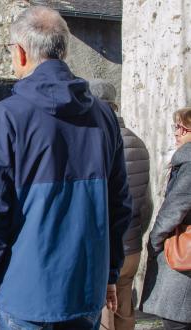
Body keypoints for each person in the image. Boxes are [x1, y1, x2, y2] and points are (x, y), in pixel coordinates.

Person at [0, 7, 132, 330]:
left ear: (21, 53)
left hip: (25, 295)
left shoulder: (6, 117)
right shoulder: (104, 117)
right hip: (85, 291)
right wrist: (109, 273)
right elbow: (119, 206)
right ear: (64, 51)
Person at [89, 80, 153, 330]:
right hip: (132, 242)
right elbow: (147, 202)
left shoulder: (96, 141)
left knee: (104, 310)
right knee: (125, 308)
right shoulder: (138, 142)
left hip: (105, 245)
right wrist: (137, 230)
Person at [140, 107, 191, 330]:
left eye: (184, 128)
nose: (177, 132)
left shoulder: (189, 164)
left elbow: (174, 209)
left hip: (182, 254)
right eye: (176, 126)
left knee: (175, 320)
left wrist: (154, 242)